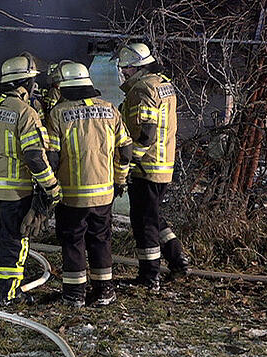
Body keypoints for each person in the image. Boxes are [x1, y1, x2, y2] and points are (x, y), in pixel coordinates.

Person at [45, 61, 132, 307]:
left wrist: (48, 187)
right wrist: (120, 179)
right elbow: (125, 149)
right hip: (104, 194)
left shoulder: (58, 114)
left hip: (71, 195)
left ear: (64, 86)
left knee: (73, 241)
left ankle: (74, 295)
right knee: (100, 239)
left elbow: (51, 155)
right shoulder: (110, 110)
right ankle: (104, 291)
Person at [0, 54, 61, 306]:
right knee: (17, 240)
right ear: (25, 82)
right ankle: (10, 292)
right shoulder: (26, 113)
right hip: (17, 191)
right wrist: (51, 186)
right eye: (33, 80)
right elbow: (35, 158)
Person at [116, 42, 189, 292]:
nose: (123, 73)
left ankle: (149, 277)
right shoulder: (163, 84)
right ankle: (177, 258)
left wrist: (128, 161)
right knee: (154, 216)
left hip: (146, 168)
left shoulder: (142, 89)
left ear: (135, 67)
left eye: (125, 68)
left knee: (143, 222)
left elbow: (146, 133)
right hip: (163, 165)